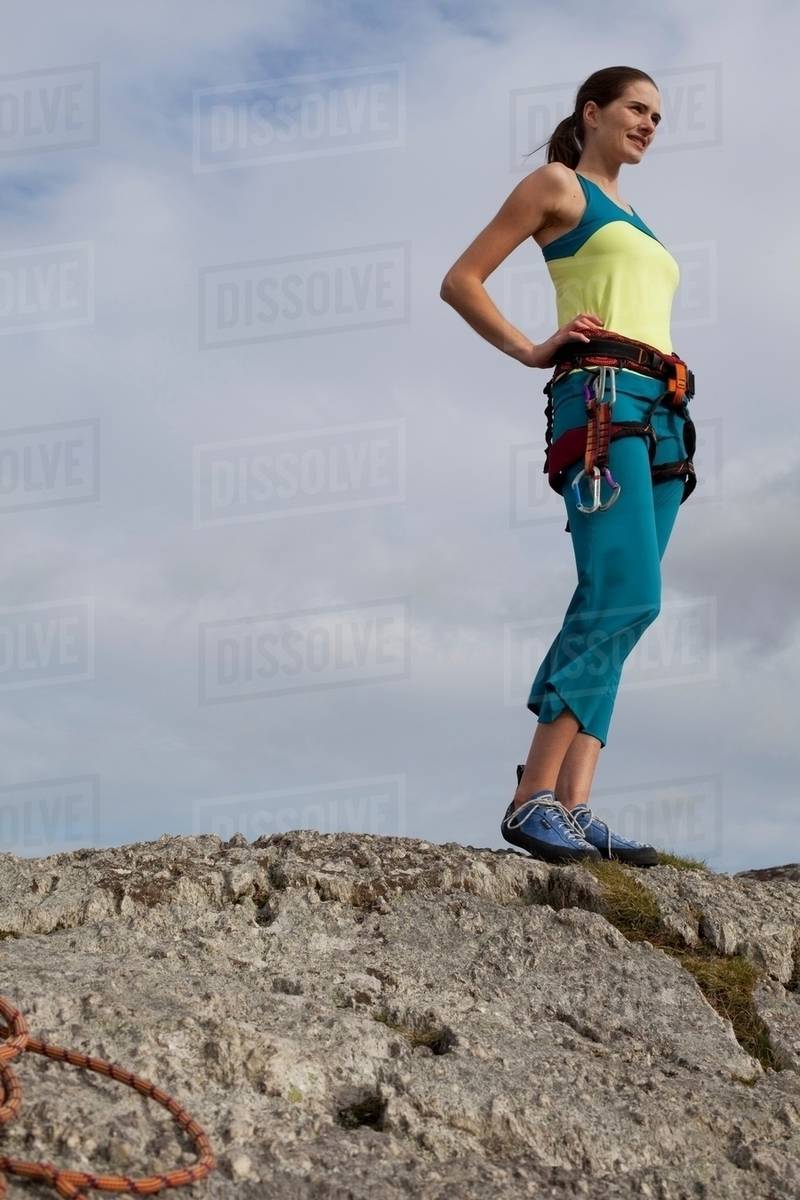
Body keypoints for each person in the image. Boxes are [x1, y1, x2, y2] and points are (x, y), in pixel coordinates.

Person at [440, 66, 696, 867]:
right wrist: (530, 347)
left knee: (630, 607)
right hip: (602, 404)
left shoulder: (639, 218)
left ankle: (576, 806)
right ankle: (532, 801)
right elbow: (461, 280)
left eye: (658, 115)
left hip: (662, 416)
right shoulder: (559, 186)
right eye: (635, 108)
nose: (650, 123)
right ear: (592, 112)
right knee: (623, 592)